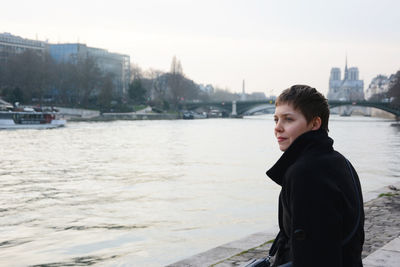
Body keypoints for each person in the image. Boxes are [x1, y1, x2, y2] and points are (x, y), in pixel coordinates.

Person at [266, 85, 364, 266]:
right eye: (276, 119)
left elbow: (313, 254)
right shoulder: (341, 162)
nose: (278, 128)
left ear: (315, 123)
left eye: (288, 119)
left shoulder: (305, 173)